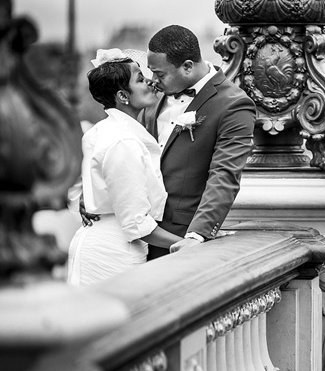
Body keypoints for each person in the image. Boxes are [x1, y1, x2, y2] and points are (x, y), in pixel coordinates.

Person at [66, 51, 183, 286]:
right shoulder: (122, 142)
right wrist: (186, 243)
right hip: (113, 253)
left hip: (100, 242)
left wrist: (85, 199)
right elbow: (136, 224)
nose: (150, 81)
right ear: (122, 95)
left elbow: (75, 190)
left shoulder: (101, 131)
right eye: (140, 79)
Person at [143, 25, 256, 259]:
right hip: (135, 233)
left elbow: (224, 174)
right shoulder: (152, 98)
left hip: (180, 240)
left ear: (187, 66)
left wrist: (196, 236)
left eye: (160, 74)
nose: (153, 81)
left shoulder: (234, 104)